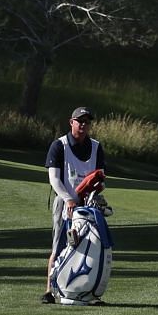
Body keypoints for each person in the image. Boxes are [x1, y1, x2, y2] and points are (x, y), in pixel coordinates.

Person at [43, 105, 106, 303]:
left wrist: (93, 193)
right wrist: (69, 198)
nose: (83, 125)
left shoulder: (96, 147)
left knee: (91, 247)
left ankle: (88, 292)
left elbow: (101, 179)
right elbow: (54, 179)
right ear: (72, 122)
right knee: (59, 246)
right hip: (65, 203)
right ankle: (50, 290)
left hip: (88, 205)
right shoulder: (59, 146)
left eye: (87, 122)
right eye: (80, 121)